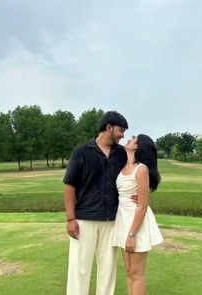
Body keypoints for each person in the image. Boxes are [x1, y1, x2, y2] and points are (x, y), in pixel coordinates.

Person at [63, 111, 128, 295]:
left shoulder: (122, 154)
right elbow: (69, 185)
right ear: (109, 127)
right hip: (84, 220)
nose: (123, 135)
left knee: (108, 270)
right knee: (79, 269)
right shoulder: (81, 152)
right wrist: (70, 219)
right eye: (121, 130)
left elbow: (131, 175)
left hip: (111, 220)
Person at [113, 134, 164, 295]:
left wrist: (131, 235)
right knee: (129, 271)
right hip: (122, 221)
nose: (130, 138)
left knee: (137, 273)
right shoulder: (123, 166)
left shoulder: (141, 169)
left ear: (138, 146)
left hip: (136, 224)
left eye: (134, 138)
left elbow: (142, 206)